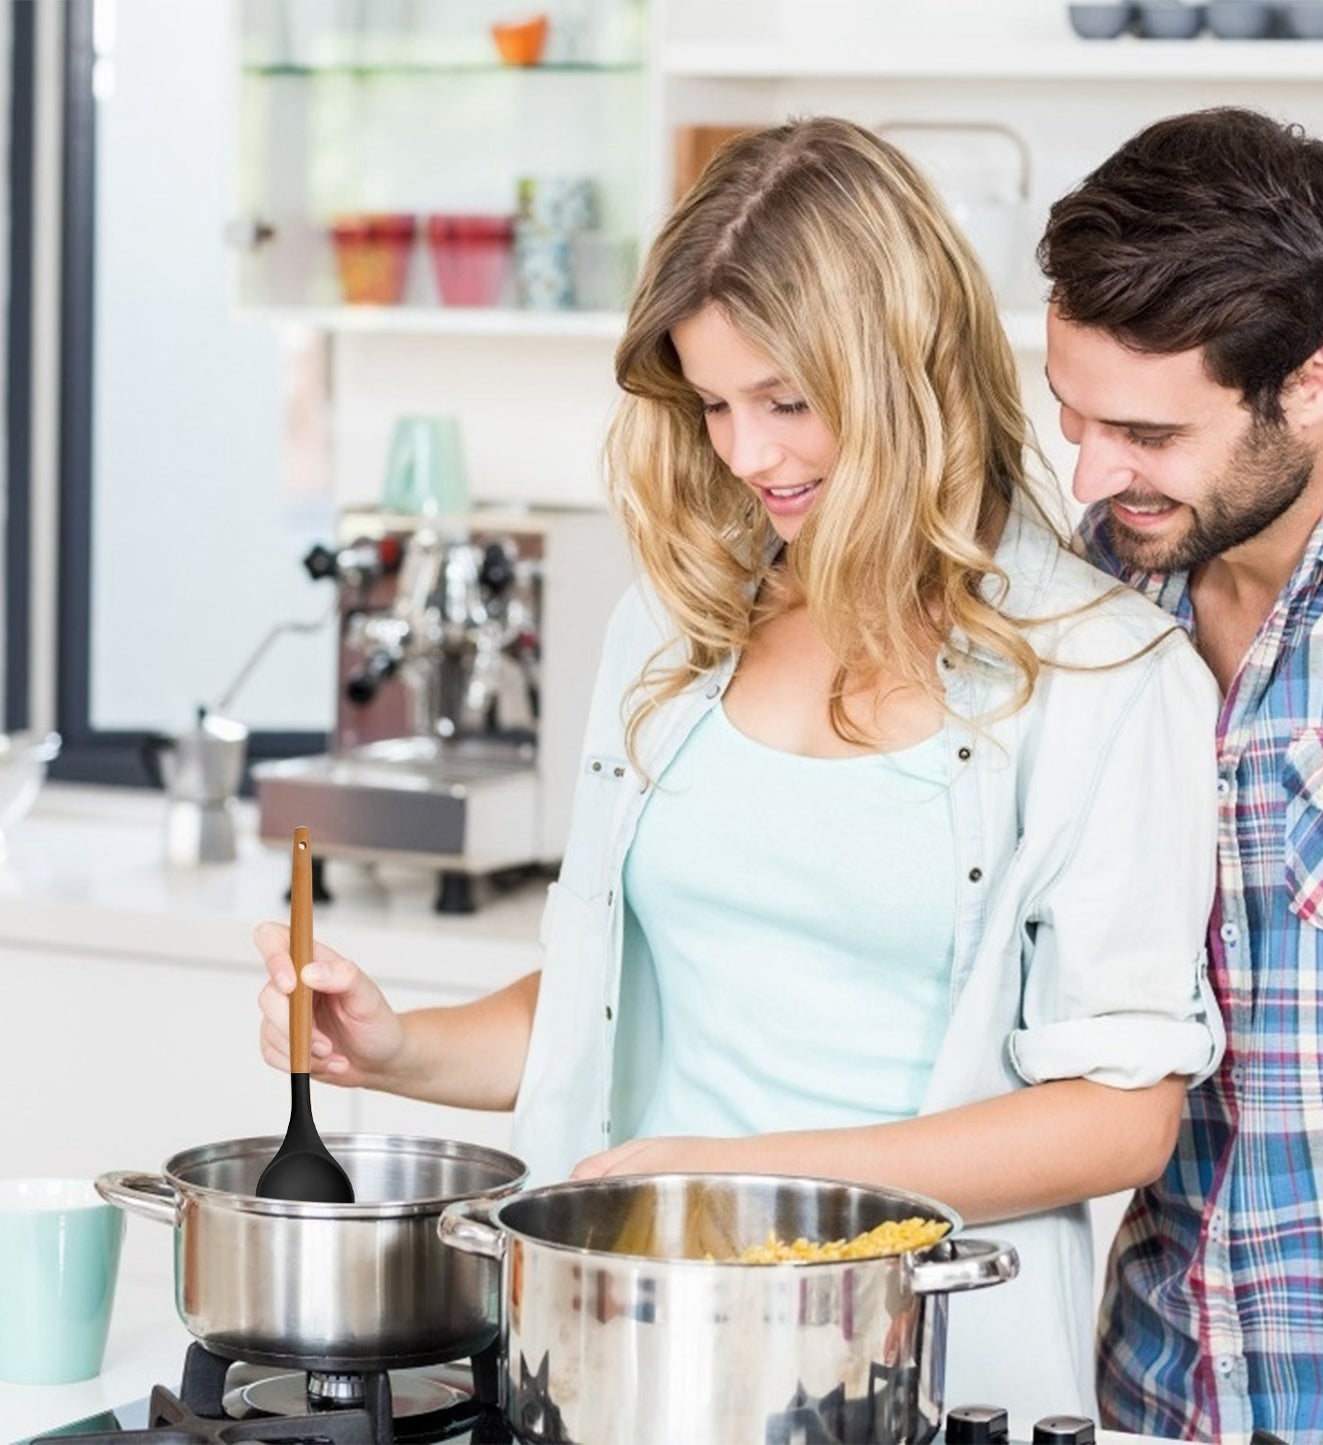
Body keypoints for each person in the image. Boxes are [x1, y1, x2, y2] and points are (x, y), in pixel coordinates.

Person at [256, 116, 1223, 1423]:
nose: (747, 454)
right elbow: (624, 996)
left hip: (904, 1370)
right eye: (711, 403)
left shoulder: (1104, 673)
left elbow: (1118, 1117)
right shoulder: (670, 630)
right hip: (625, 1352)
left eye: (785, 400)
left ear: (910, 369)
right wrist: (397, 1044)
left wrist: (731, 1186)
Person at [1038, 106, 1323, 1443]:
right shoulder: (1101, 587)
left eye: (1146, 431)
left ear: (1316, 377)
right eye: (1072, 413)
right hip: (1158, 1390)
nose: (1091, 472)